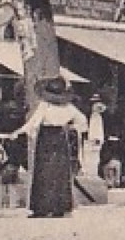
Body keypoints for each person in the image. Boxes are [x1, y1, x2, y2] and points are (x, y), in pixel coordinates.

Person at [18, 77, 88, 218]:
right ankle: (59, 207)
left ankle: (42, 208)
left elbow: (34, 122)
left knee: (43, 172)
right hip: (61, 137)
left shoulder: (45, 105)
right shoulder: (69, 107)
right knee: (60, 172)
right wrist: (72, 127)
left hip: (46, 137)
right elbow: (83, 121)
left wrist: (20, 131)